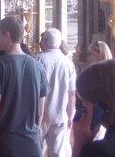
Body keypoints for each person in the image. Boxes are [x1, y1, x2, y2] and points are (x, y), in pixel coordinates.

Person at [0, 16, 49, 157]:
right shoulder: (39, 67)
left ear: (7, 35)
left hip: (4, 143)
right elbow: (40, 112)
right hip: (31, 144)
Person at [36, 28, 76, 157]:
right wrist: (70, 115)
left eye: (42, 40)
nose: (41, 42)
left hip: (39, 114)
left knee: (36, 151)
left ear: (46, 41)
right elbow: (71, 93)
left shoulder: (38, 59)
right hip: (60, 114)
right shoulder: (68, 62)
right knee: (57, 153)